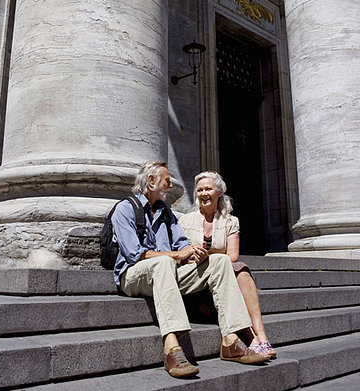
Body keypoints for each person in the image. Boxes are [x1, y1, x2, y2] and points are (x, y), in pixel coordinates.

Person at [111, 161, 269, 379]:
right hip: (132, 275)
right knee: (165, 262)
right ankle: (172, 347)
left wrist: (194, 252)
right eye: (167, 180)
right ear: (151, 180)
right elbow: (134, 254)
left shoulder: (166, 212)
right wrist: (177, 255)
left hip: (166, 272)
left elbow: (182, 243)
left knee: (220, 262)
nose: (169, 185)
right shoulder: (125, 209)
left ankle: (231, 340)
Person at [179, 170, 277, 359]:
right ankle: (251, 339)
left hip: (222, 273)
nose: (203, 194)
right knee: (236, 270)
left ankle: (261, 335)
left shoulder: (230, 221)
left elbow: (232, 256)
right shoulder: (184, 221)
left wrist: (207, 258)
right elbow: (180, 254)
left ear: (219, 192)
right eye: (199, 190)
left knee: (241, 271)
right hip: (194, 277)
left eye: (208, 189)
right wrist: (193, 256)